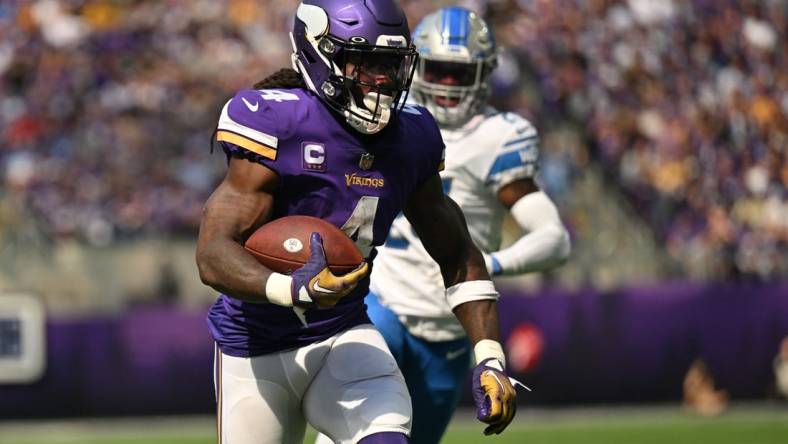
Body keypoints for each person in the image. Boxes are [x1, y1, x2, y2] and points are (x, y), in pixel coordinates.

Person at [196, 1, 522, 443]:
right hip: (254, 348)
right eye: (365, 63)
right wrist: (293, 288)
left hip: (343, 337)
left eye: (390, 64)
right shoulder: (277, 122)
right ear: (319, 55)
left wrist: (489, 356)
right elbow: (213, 253)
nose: (382, 80)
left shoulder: (413, 136)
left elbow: (458, 252)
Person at [318, 7, 571, 444]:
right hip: (382, 303)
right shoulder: (389, 119)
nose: (448, 83)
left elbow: (554, 240)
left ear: (485, 73)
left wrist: (484, 264)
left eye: (460, 72)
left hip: (453, 327)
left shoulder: (499, 136)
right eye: (439, 69)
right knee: (355, 422)